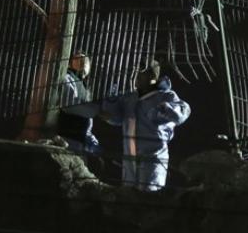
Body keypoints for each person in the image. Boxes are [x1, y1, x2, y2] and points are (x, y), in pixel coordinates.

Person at [101, 61, 191, 191]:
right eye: (134, 71)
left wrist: (166, 109)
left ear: (152, 76)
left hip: (153, 159)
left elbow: (182, 111)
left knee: (148, 197)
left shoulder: (165, 95)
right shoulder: (130, 98)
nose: (135, 75)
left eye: (140, 72)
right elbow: (115, 118)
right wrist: (111, 100)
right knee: (128, 197)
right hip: (129, 161)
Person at [57, 51, 101, 154]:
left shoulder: (83, 86)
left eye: (85, 60)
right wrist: (97, 111)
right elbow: (69, 104)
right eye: (79, 59)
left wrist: (92, 141)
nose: (83, 62)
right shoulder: (67, 78)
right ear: (70, 63)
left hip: (81, 140)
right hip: (69, 138)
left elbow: (87, 123)